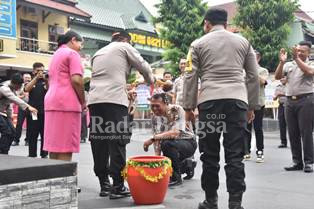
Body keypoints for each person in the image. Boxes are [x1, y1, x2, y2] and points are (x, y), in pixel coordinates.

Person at [183, 8, 259, 209]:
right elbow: (253, 76)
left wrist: (188, 107)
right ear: (226, 24)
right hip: (237, 102)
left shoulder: (197, 44)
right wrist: (251, 106)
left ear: (207, 23)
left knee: (210, 154)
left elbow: (190, 76)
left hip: (209, 102)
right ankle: (235, 203)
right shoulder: (243, 42)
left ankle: (211, 200)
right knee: (235, 154)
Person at [88, 30, 154, 199]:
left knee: (99, 141)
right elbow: (143, 66)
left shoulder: (97, 53)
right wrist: (149, 80)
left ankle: (104, 184)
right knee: (117, 141)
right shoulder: (125, 46)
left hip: (95, 101)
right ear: (126, 40)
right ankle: (117, 186)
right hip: (114, 102)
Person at [43, 30, 86, 162]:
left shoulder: (56, 54)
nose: (81, 47)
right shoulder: (72, 53)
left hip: (51, 101)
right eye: (80, 43)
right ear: (73, 40)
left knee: (54, 146)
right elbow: (77, 80)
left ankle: (54, 178)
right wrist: (83, 101)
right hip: (67, 103)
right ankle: (64, 180)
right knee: (65, 146)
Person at [274, 41, 314, 173]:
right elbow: (277, 76)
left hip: (306, 100)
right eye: (298, 50)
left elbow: (308, 71)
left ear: (309, 52)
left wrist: (296, 58)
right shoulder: (288, 64)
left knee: (306, 132)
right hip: (289, 101)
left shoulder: (311, 63)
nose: (299, 52)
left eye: (303, 51)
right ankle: (297, 161)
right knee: (292, 133)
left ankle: (309, 162)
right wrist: (281, 62)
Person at [143, 93, 197, 186]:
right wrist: (157, 160)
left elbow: (175, 133)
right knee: (166, 147)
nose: (154, 109)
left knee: (167, 143)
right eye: (152, 106)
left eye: (157, 106)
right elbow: (157, 139)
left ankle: (176, 178)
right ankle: (188, 164)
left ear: (165, 103)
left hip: (188, 142)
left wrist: (152, 139)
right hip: (173, 144)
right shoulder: (155, 117)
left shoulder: (176, 109)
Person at [0, 73, 37, 154]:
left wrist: (9, 119)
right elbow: (14, 99)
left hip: (2, 113)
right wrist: (28, 107)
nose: (20, 88)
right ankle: (2, 152)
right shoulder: (4, 88)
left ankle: (5, 150)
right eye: (20, 86)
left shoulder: (12, 87)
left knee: (12, 131)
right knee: (6, 131)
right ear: (15, 84)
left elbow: (8, 104)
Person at [244, 51, 269, 163]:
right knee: (246, 128)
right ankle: (246, 151)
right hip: (245, 103)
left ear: (258, 58)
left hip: (258, 103)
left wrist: (253, 70)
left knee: (258, 128)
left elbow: (263, 82)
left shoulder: (262, 70)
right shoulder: (243, 71)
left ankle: (260, 151)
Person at [24, 62, 48, 158]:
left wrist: (46, 80)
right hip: (33, 113)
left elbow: (50, 89)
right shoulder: (30, 81)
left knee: (44, 134)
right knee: (32, 135)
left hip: (45, 112)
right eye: (38, 71)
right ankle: (32, 154)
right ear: (34, 71)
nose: (41, 73)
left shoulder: (46, 80)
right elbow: (26, 89)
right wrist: (36, 78)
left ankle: (44, 153)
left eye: (42, 70)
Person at [12, 73, 31, 146]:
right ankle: (16, 140)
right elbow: (15, 97)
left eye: (29, 78)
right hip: (22, 107)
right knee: (19, 124)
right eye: (26, 77)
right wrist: (22, 95)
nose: (27, 79)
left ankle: (28, 140)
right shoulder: (20, 86)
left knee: (30, 125)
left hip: (31, 108)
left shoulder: (33, 85)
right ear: (23, 78)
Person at [273, 77, 288, 148]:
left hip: (289, 106)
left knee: (292, 125)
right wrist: (276, 96)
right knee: (282, 124)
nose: (281, 79)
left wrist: (281, 94)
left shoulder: (290, 85)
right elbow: (274, 97)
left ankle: (295, 141)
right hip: (281, 106)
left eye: (283, 78)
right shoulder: (278, 87)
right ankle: (283, 142)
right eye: (281, 78)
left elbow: (290, 94)